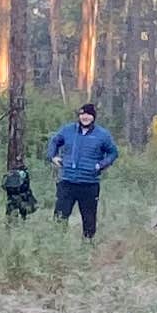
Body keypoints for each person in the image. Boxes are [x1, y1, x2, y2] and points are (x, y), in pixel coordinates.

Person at [44, 101, 120, 238]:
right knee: (60, 217)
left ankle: (87, 248)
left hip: (89, 183)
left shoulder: (102, 135)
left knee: (89, 219)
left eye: (89, 114)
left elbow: (113, 153)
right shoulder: (67, 130)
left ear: (93, 117)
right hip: (67, 181)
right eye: (83, 114)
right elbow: (54, 141)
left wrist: (101, 165)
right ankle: (57, 246)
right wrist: (52, 157)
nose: (85, 117)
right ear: (79, 116)